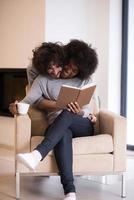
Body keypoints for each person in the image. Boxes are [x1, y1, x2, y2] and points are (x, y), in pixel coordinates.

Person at [9, 39, 98, 200]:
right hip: (57, 127)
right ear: (65, 59)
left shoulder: (83, 81)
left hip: (82, 125)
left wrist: (81, 113)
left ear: (81, 71)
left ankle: (37, 155)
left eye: (74, 70)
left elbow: (86, 112)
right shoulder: (42, 80)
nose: (68, 71)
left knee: (69, 111)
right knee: (63, 133)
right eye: (68, 65)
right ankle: (70, 192)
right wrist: (15, 106)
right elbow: (27, 101)